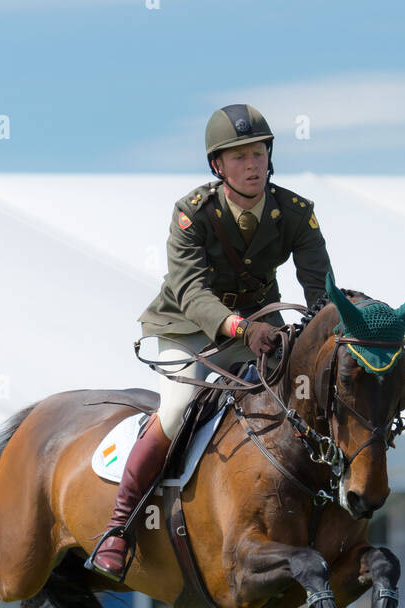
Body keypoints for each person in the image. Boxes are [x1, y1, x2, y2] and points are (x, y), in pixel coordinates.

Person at [88, 103, 334, 582]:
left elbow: (318, 290)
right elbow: (192, 292)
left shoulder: (296, 214)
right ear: (218, 166)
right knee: (180, 407)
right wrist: (242, 329)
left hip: (258, 332)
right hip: (183, 330)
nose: (252, 164)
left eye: (259, 153)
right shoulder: (192, 213)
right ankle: (118, 529)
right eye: (238, 156)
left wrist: (330, 325)